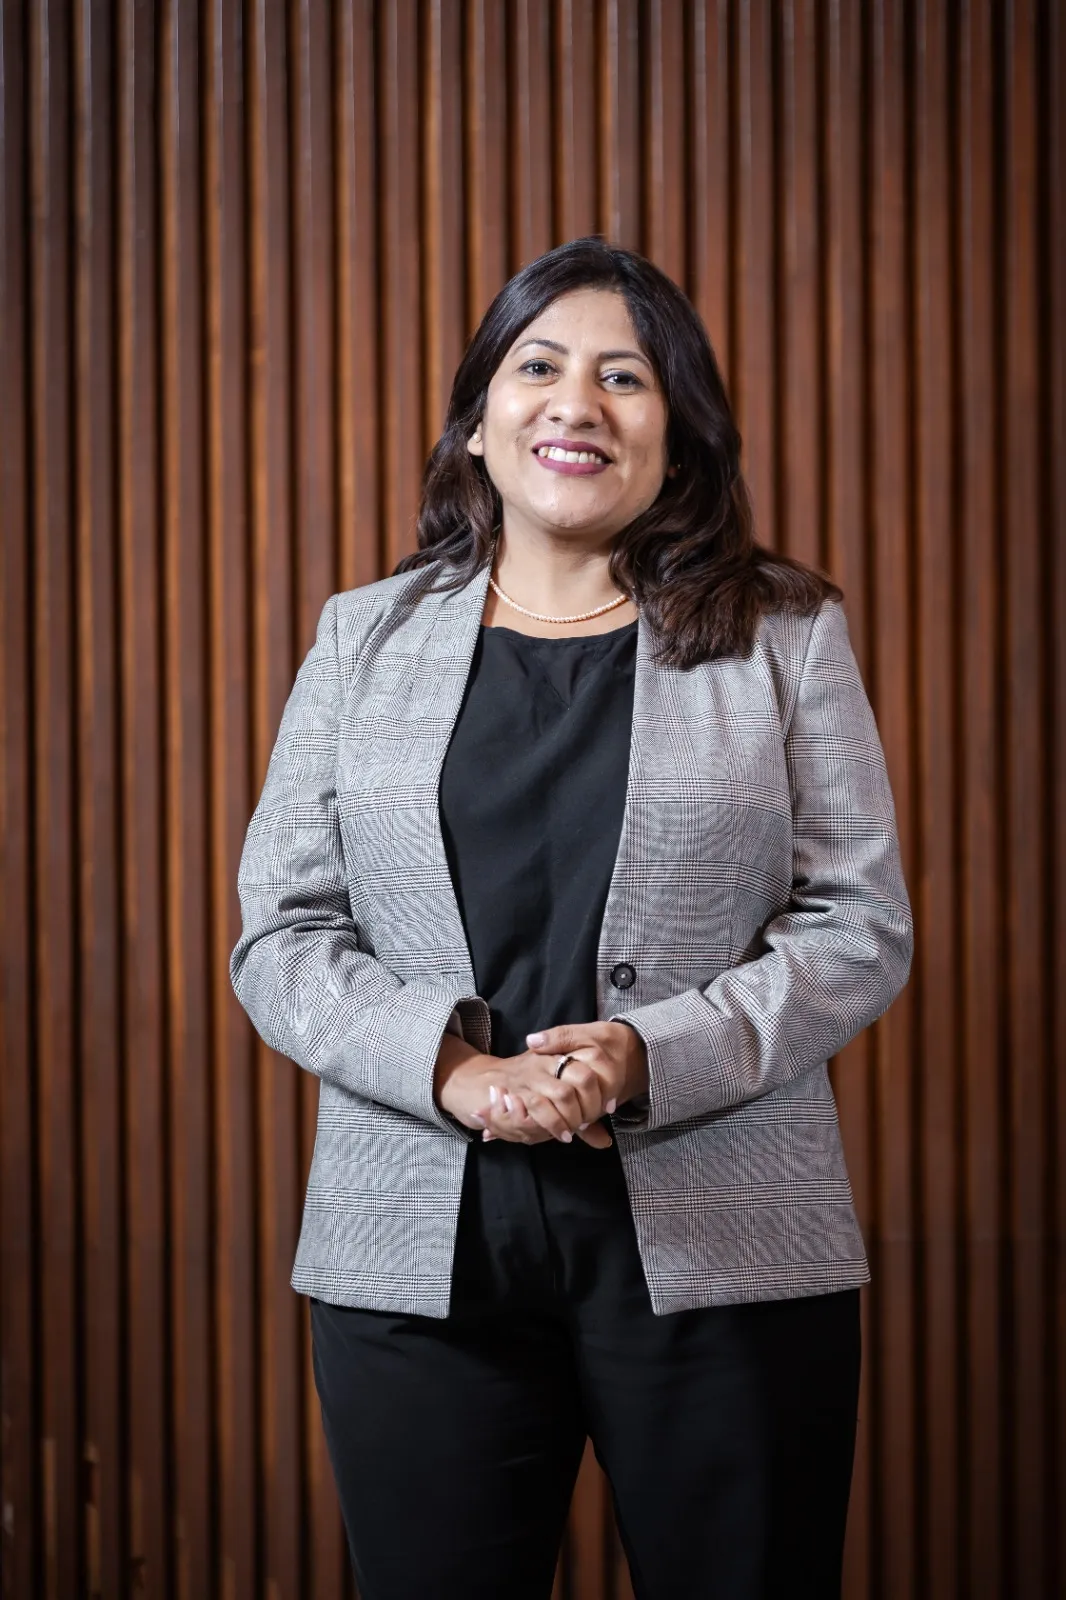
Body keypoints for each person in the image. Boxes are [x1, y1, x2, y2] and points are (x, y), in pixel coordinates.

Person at [230, 236, 912, 1599]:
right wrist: (460, 1073)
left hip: (724, 1244)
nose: (576, 403)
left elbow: (855, 923)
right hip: (418, 1251)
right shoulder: (356, 639)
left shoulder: (784, 635)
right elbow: (283, 934)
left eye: (626, 377)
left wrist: (645, 1054)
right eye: (536, 366)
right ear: (477, 422)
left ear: (682, 436)